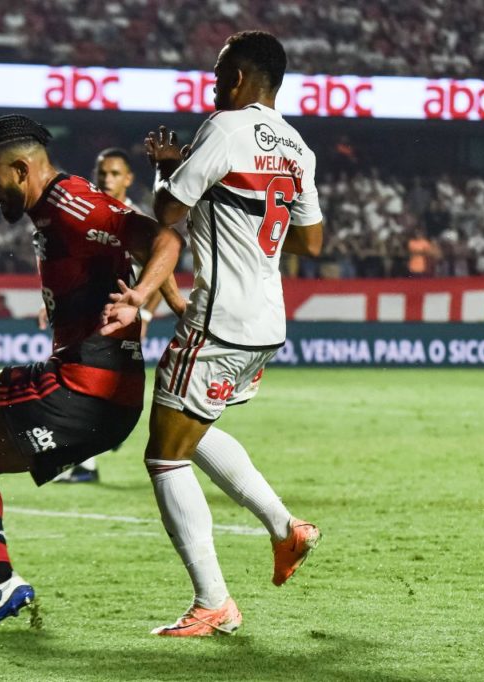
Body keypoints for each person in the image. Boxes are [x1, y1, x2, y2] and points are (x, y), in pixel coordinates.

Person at [0, 114, 183, 633]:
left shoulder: (74, 206)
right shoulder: (55, 207)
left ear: (22, 169)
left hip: (83, 385)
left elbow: (163, 239)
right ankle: (2, 580)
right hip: (104, 398)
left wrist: (140, 299)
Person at [109, 31, 325, 636]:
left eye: (217, 72)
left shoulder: (223, 127)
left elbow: (167, 213)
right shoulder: (297, 147)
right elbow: (312, 241)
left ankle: (214, 603)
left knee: (164, 456)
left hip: (219, 318)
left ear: (236, 79)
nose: (211, 83)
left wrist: (167, 175)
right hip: (266, 320)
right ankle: (287, 529)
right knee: (194, 429)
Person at [49, 147, 165, 484]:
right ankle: (92, 451)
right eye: (102, 173)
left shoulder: (132, 219)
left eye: (115, 173)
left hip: (116, 318)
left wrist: (144, 316)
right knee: (86, 385)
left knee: (88, 385)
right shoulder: (87, 213)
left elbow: (159, 274)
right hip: (84, 313)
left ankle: (85, 463)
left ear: (128, 179)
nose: (107, 179)